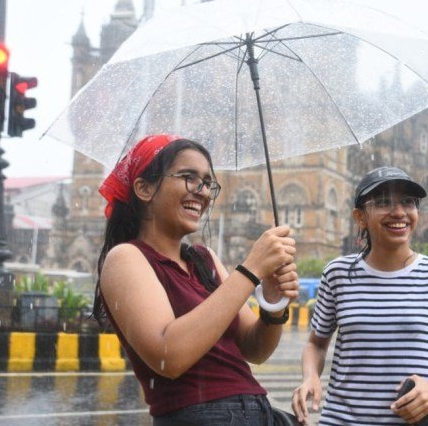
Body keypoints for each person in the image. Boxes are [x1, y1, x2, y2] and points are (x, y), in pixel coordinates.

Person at [93, 134, 299, 425]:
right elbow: (168, 356)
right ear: (144, 188)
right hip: (201, 417)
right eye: (188, 178)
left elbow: (256, 349)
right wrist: (251, 270)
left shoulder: (204, 260)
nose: (202, 192)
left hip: (257, 410)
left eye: (207, 183)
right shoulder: (126, 258)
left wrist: (273, 303)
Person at [291, 167, 428, 425]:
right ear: (360, 217)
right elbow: (316, 344)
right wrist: (310, 376)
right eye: (383, 202)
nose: (399, 212)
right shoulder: (338, 274)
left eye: (408, 202)